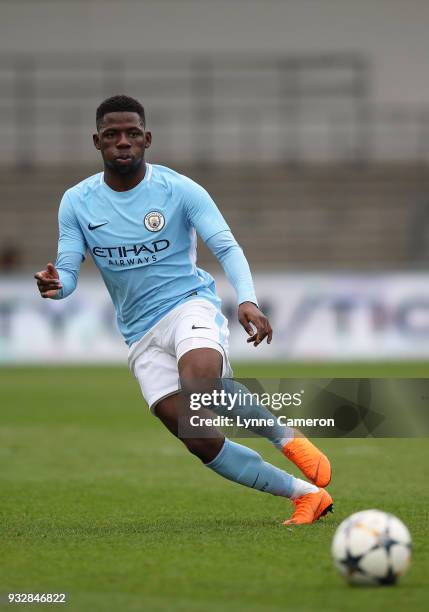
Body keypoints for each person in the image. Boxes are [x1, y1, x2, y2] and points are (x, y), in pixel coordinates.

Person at [35, 95, 333, 525]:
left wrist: (247, 297)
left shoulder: (179, 189)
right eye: (113, 135)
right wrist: (57, 285)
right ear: (96, 141)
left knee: (200, 382)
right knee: (200, 439)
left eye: (133, 134)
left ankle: (286, 438)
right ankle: (306, 496)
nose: (123, 143)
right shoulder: (76, 202)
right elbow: (67, 272)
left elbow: (225, 245)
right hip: (139, 334)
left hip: (188, 305)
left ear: (148, 139)